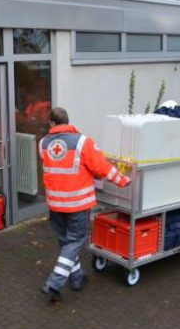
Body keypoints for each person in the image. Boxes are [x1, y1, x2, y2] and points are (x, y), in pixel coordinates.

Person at [39, 107, 131, 302]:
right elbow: (101, 167)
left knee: (66, 242)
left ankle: (77, 278)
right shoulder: (83, 142)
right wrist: (122, 180)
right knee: (74, 242)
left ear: (52, 123)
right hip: (77, 204)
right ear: (68, 122)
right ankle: (54, 283)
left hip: (55, 204)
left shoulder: (43, 144)